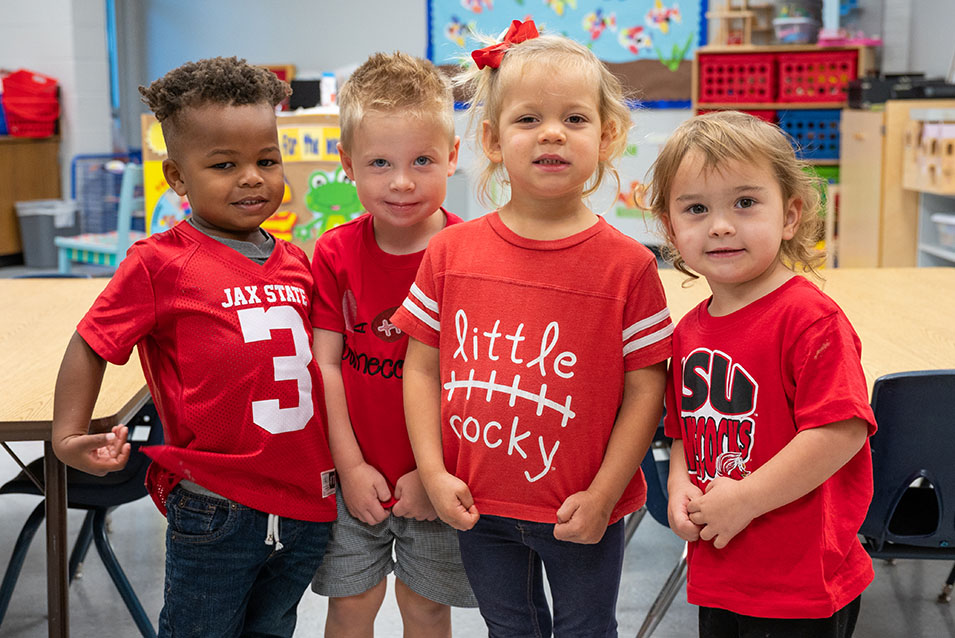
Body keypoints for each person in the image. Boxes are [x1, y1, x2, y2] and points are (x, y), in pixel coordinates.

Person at [390, 20, 673, 637]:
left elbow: (646, 389)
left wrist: (604, 494)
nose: (552, 132)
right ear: (492, 140)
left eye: (574, 119)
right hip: (477, 506)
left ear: (608, 136)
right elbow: (421, 366)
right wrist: (433, 472)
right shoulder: (449, 251)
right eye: (528, 120)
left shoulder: (628, 265)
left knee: (585, 631)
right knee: (508, 629)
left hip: (579, 511)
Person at [51, 56, 337, 638]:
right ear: (179, 178)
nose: (252, 177)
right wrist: (67, 435)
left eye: (266, 160)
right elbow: (91, 341)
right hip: (217, 505)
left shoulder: (298, 262)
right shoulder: (159, 263)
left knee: (274, 628)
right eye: (225, 164)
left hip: (306, 506)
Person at [647, 110, 876, 638]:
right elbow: (684, 432)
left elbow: (841, 432)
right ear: (671, 229)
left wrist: (745, 500)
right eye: (697, 209)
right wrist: (680, 485)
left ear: (791, 216)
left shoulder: (809, 319)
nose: (721, 225)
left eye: (745, 203)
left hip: (802, 584)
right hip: (724, 569)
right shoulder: (688, 332)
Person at [308, 51, 477, 637]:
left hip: (439, 478)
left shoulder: (470, 254)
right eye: (380, 162)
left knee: (425, 607)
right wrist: (350, 467)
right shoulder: (333, 253)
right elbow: (326, 365)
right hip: (354, 474)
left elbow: (476, 380)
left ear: (452, 158)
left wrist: (434, 474)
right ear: (348, 165)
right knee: (351, 605)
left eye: (422, 160)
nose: (401, 182)